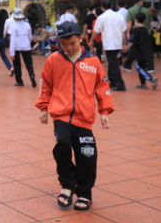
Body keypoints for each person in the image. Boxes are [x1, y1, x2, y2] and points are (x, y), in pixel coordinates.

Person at [36, 21, 114, 212]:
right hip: (60, 115)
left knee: (86, 155)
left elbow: (102, 87)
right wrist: (43, 107)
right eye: (64, 44)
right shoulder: (53, 60)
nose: (69, 48)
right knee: (61, 146)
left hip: (84, 118)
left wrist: (104, 111)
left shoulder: (93, 62)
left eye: (72, 43)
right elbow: (46, 84)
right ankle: (68, 185)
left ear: (81, 38)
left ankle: (85, 192)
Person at [93, 0, 127, 91]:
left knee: (113, 63)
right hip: (117, 43)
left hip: (109, 43)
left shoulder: (102, 17)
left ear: (102, 7)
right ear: (112, 5)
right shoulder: (119, 16)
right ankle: (112, 81)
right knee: (113, 63)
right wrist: (124, 44)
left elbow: (96, 31)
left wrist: (91, 40)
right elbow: (123, 31)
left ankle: (120, 84)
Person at [129, 11, 158, 89]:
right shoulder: (145, 29)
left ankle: (151, 78)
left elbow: (132, 41)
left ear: (135, 20)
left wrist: (125, 47)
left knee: (139, 67)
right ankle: (143, 83)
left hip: (138, 52)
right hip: (145, 51)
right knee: (142, 67)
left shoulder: (136, 30)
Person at [9, 8, 36, 87]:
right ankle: (31, 75)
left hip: (17, 46)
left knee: (17, 64)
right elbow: (30, 36)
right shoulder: (27, 25)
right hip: (26, 45)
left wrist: (11, 52)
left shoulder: (13, 26)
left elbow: (13, 39)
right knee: (29, 63)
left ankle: (19, 80)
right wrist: (28, 43)